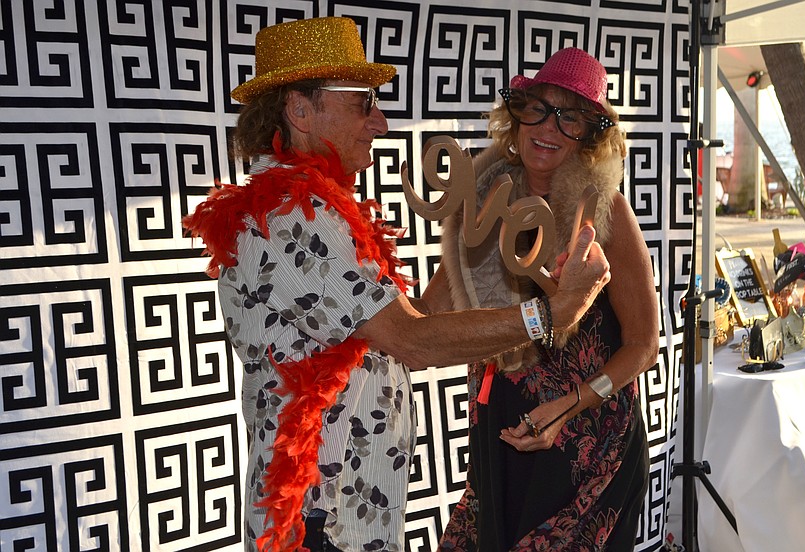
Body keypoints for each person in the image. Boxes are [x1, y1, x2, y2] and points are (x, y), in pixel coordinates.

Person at [182, 18, 612, 552]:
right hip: (321, 520)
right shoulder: (288, 217)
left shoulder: (323, 212)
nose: (381, 123)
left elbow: (412, 325)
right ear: (299, 110)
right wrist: (552, 314)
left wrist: (476, 244)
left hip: (355, 513)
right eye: (364, 104)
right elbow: (412, 340)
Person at [433, 47, 660, 550]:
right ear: (516, 114)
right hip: (502, 432)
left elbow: (644, 346)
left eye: (570, 117)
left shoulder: (606, 214)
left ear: (591, 136)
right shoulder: (487, 204)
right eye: (537, 108)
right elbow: (427, 314)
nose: (548, 128)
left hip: (589, 449)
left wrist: (569, 406)